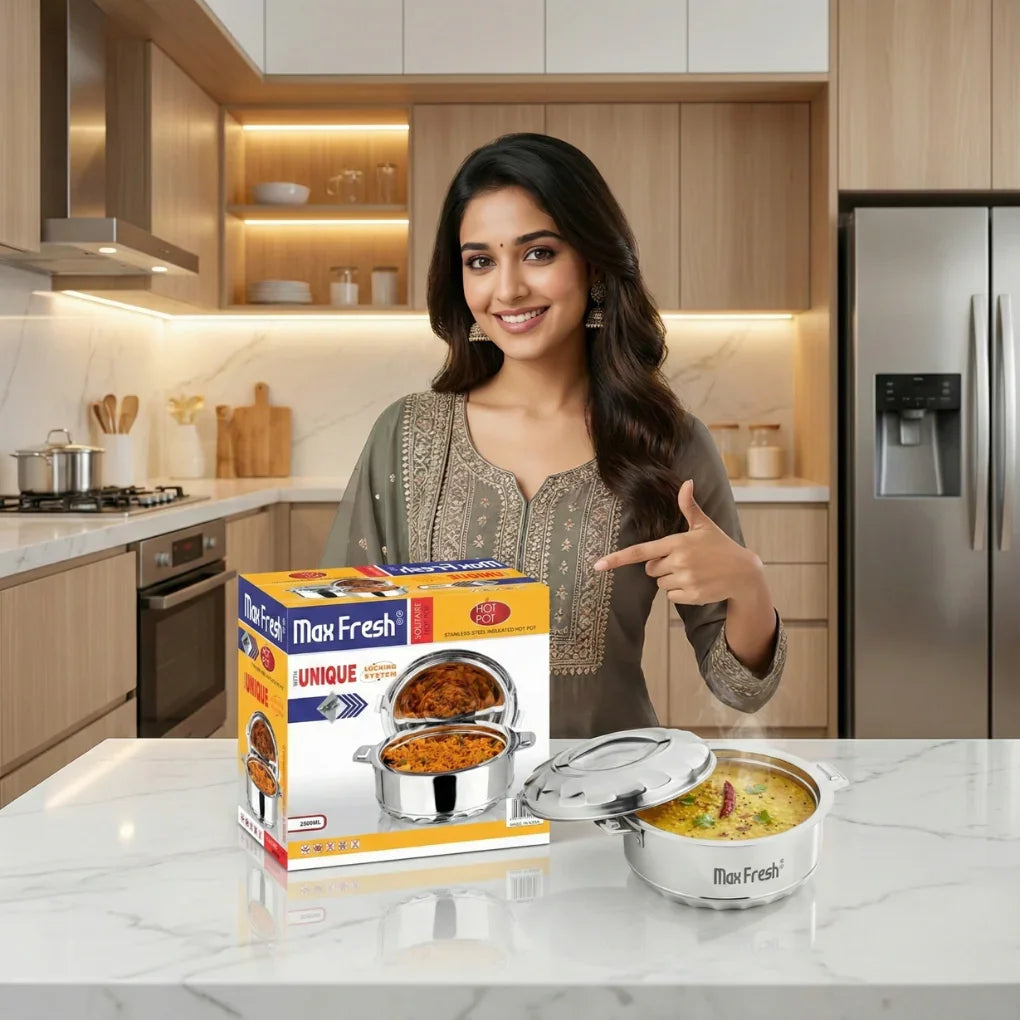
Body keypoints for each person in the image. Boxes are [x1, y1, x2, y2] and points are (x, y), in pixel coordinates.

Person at [322, 132, 786, 738]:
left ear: (592, 264)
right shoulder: (407, 433)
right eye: (480, 260)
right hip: (439, 801)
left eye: (538, 253)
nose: (508, 289)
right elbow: (335, 645)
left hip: (604, 794)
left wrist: (749, 582)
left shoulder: (666, 443)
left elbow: (739, 687)